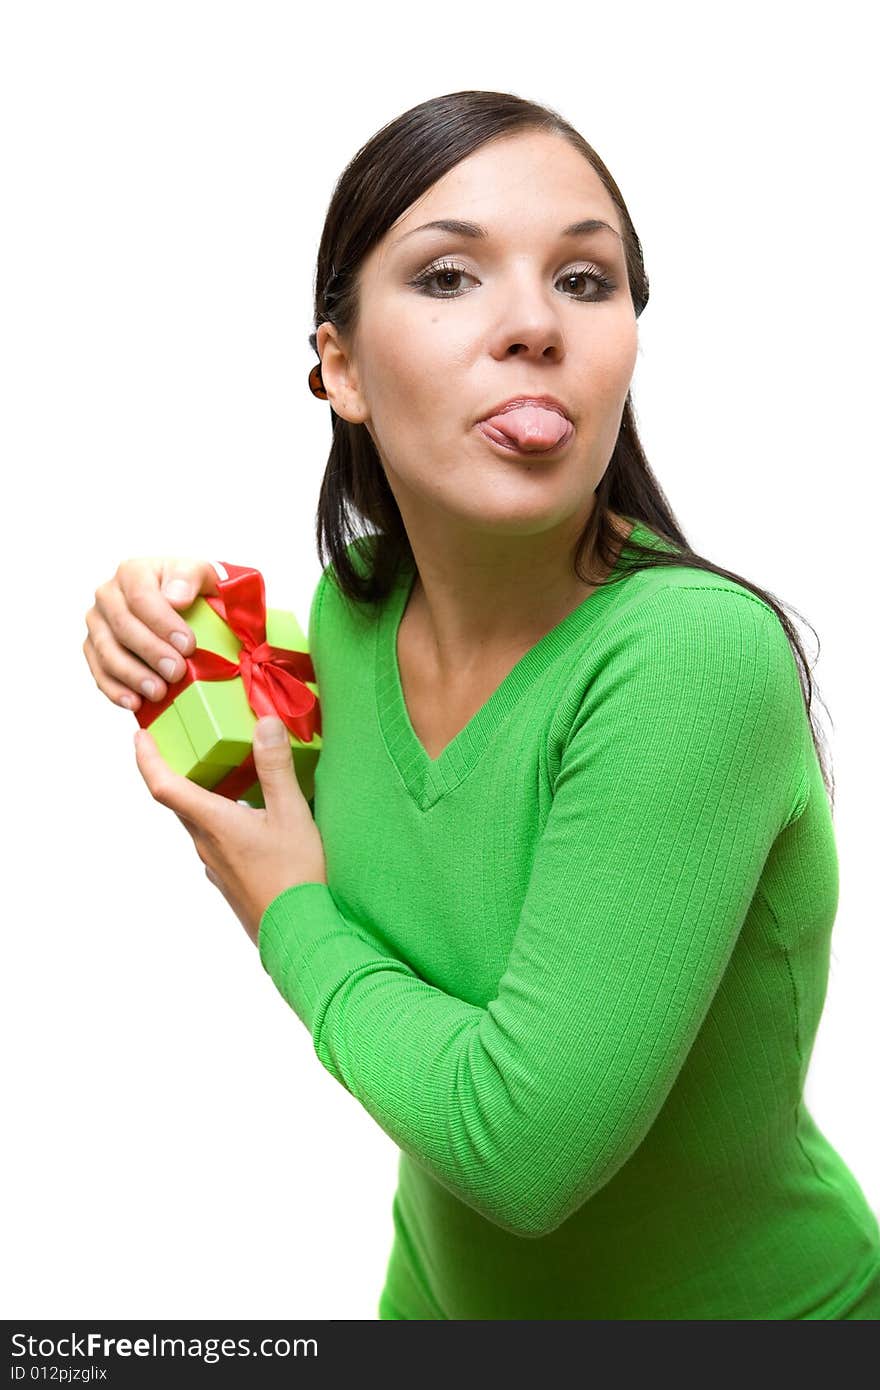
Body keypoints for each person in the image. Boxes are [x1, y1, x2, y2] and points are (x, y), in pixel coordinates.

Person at [82, 90, 880, 1320]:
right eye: (450, 276)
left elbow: (522, 1150)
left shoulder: (691, 660)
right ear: (339, 366)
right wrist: (154, 633)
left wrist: (283, 910)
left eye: (584, 279)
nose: (532, 325)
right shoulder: (352, 613)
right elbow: (285, 791)